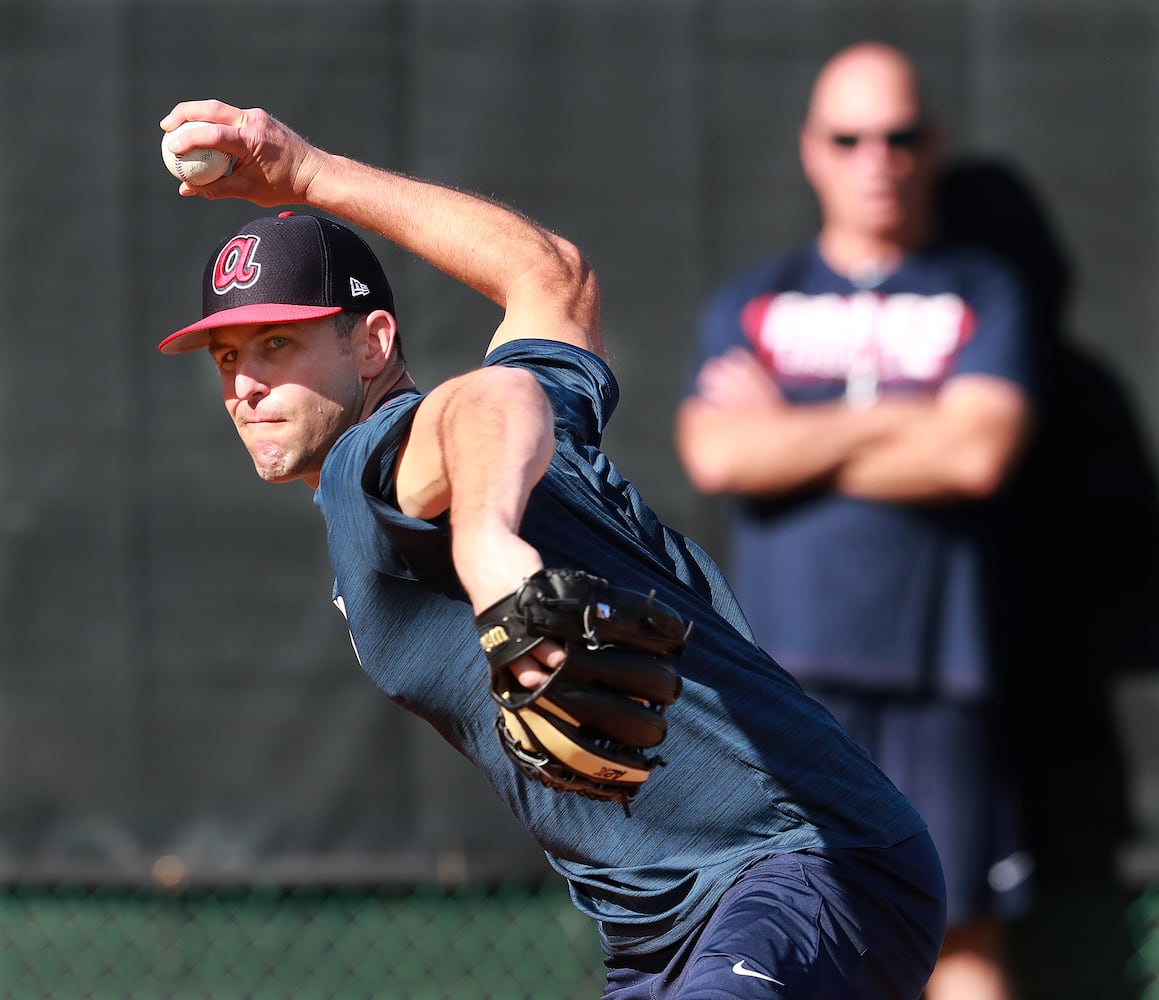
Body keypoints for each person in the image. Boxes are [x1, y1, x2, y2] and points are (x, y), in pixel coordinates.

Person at [158, 98, 946, 999]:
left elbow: (484, 405)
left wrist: (489, 548)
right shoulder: (536, 431)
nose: (248, 384)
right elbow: (551, 277)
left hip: (788, 865)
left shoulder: (367, 464)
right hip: (669, 927)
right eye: (227, 358)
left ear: (372, 342)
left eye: (277, 344)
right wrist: (303, 173)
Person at [675, 44, 1038, 1000]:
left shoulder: (981, 291)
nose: (875, 157)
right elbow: (718, 454)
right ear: (811, 150)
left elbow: (975, 454)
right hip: (780, 682)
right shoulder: (753, 302)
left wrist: (791, 428)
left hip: (939, 671)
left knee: (956, 933)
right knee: (782, 927)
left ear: (932, 146)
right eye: (849, 137)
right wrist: (906, 416)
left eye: (899, 135)